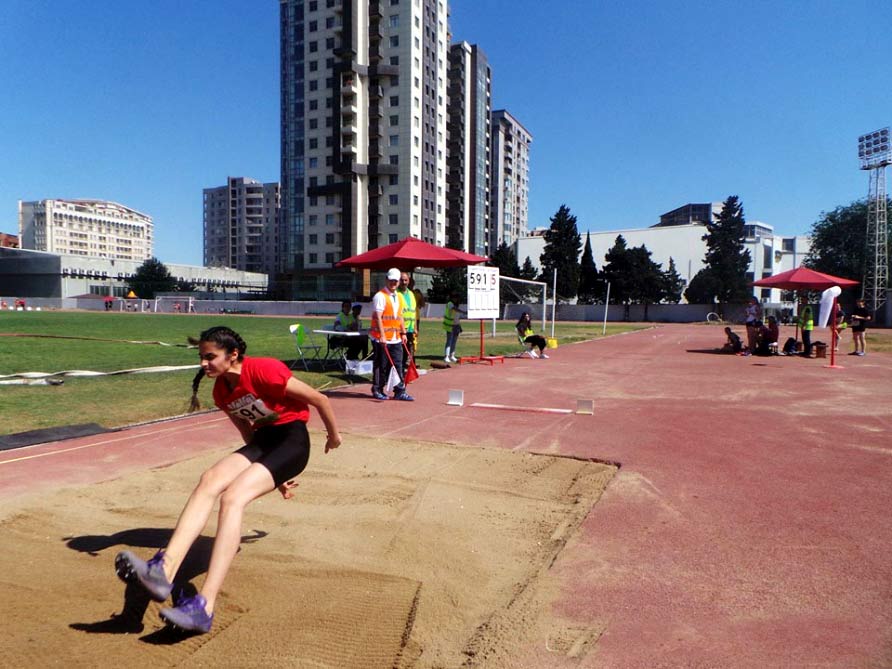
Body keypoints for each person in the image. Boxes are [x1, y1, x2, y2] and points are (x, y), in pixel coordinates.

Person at [114, 326, 341, 634]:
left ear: (233, 355)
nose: (204, 364)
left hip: (292, 443)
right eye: (201, 358)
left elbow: (318, 398)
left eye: (210, 357)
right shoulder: (222, 390)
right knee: (210, 479)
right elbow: (248, 432)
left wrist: (334, 436)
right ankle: (163, 571)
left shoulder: (264, 370)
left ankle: (204, 606)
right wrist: (272, 472)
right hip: (264, 444)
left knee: (232, 498)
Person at [369, 268, 413, 401]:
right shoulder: (380, 296)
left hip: (395, 337)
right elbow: (378, 318)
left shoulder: (398, 296)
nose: (393, 283)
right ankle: (377, 389)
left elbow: (399, 315)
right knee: (381, 365)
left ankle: (399, 390)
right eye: (391, 280)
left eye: (396, 281)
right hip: (381, 338)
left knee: (398, 364)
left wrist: (403, 332)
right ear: (386, 280)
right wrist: (382, 336)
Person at [396, 272, 418, 379]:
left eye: (405, 280)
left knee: (407, 353)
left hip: (409, 329)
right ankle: (398, 374)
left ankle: (403, 374)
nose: (404, 282)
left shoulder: (411, 294)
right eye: (402, 280)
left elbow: (413, 312)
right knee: (399, 353)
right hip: (400, 329)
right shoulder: (396, 294)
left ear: (409, 281)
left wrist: (414, 328)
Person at [443, 291, 465, 363]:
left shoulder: (456, 305)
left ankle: (452, 355)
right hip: (450, 325)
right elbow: (455, 309)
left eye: (457, 298)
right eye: (455, 297)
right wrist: (463, 312)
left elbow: (457, 317)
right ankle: (446, 356)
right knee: (449, 341)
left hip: (456, 325)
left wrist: (459, 326)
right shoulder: (449, 304)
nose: (456, 299)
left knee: (454, 341)